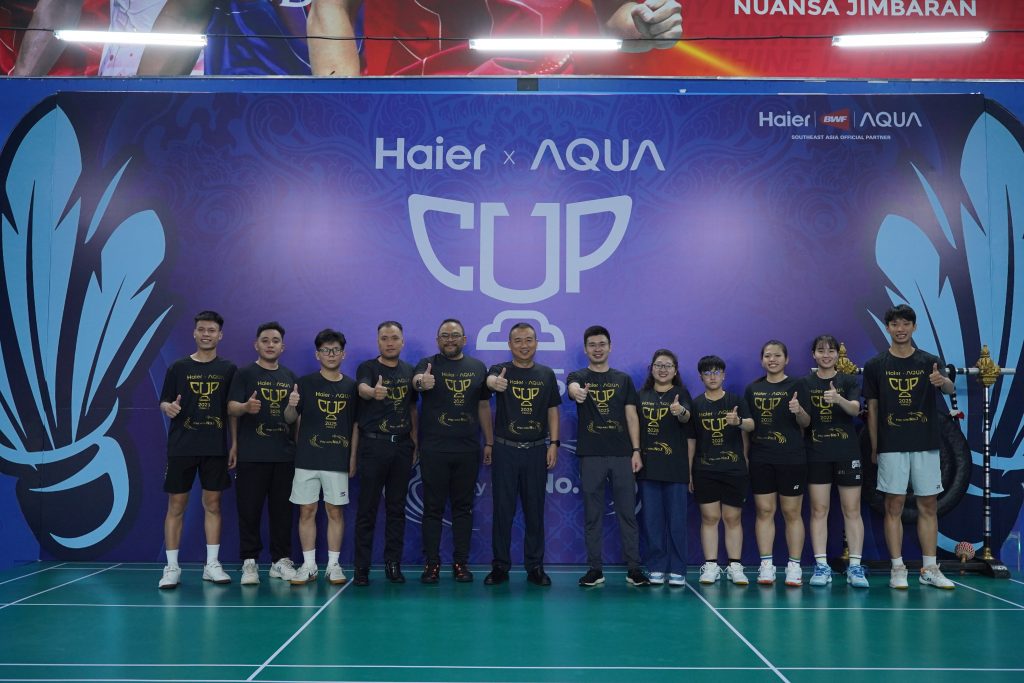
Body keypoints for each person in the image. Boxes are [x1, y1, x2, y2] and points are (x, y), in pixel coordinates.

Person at [307, 0, 683, 76]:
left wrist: (644, 27)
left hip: (555, 104)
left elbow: (613, 15)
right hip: (416, 113)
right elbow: (330, 6)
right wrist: (340, 108)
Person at [863, 304, 956, 590]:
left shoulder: (930, 361)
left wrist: (943, 381)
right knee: (894, 505)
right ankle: (897, 568)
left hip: (925, 444)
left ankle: (930, 568)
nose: (900, 329)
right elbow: (873, 410)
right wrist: (875, 447)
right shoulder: (876, 365)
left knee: (928, 505)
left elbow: (949, 389)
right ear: (888, 328)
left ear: (914, 327)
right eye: (895, 324)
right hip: (891, 445)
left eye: (906, 324)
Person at [156, 310, 236, 589]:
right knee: (176, 505)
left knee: (213, 504)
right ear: (194, 332)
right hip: (182, 447)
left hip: (215, 447)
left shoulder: (228, 369)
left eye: (211, 330)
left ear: (220, 335)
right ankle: (172, 567)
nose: (206, 334)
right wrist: (167, 407)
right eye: (201, 329)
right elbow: (164, 401)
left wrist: (234, 444)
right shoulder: (177, 368)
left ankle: (212, 564)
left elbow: (231, 410)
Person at [567, 325, 649, 587]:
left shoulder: (623, 379)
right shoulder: (578, 376)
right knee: (593, 515)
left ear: (610, 347)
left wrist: (636, 451)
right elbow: (573, 388)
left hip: (622, 455)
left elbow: (632, 416)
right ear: (585, 349)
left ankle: (634, 569)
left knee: (628, 514)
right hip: (591, 455)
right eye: (592, 345)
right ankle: (595, 569)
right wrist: (577, 392)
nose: (597, 349)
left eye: (602, 344)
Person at [412, 319, 493, 583]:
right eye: (445, 335)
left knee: (463, 509)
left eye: (455, 335)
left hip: (467, 450)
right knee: (432, 509)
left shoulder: (478, 368)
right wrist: (421, 382)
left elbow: (483, 406)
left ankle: (460, 563)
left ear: (464, 340)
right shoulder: (427, 364)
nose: (450, 339)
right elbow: (416, 382)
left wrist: (489, 442)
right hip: (434, 449)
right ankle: (432, 564)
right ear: (438, 340)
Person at [483, 322, 562, 587]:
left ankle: (535, 567)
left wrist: (554, 443)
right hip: (505, 450)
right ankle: (500, 566)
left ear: (536, 343)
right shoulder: (500, 370)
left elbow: (552, 409)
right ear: (509, 344)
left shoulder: (546, 374)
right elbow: (489, 380)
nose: (524, 345)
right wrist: (494, 382)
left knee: (534, 512)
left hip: (537, 450)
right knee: (502, 511)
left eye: (528, 340)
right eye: (518, 341)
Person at [227, 321, 299, 585]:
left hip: (283, 455)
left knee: (282, 513)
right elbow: (231, 407)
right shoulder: (244, 374)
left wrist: (292, 408)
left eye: (275, 341)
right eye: (265, 340)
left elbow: (291, 420)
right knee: (249, 510)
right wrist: (246, 407)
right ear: (256, 345)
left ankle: (281, 561)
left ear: (283, 347)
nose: (270, 345)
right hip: (252, 454)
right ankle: (249, 561)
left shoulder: (290, 376)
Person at [289, 328, 357, 586]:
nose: (331, 354)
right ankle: (308, 566)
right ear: (317, 354)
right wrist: (291, 404)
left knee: (335, 512)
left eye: (335, 350)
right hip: (307, 460)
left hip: (337, 459)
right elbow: (289, 419)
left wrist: (352, 457)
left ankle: (333, 565)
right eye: (326, 350)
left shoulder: (351, 387)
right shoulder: (304, 383)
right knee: (306, 511)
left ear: (343, 354)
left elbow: (356, 425)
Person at [352, 321, 418, 586]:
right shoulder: (368, 368)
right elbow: (362, 389)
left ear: (402, 342)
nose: (389, 343)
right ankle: (361, 568)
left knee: (396, 509)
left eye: (394, 338)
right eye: (384, 338)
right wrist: (373, 391)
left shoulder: (409, 370)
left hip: (402, 446)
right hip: (373, 446)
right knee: (367, 509)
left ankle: (393, 564)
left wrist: (415, 443)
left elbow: (412, 409)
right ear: (378, 341)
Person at [805, 335, 868, 588]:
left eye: (831, 351)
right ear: (813, 354)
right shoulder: (805, 383)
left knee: (852, 510)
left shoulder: (848, 380)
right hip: (817, 453)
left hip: (846, 452)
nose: (826, 355)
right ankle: (821, 566)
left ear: (837, 355)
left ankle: (855, 567)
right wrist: (798, 411)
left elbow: (855, 409)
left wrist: (838, 399)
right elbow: (804, 421)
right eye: (821, 351)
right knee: (819, 510)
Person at [746, 340, 810, 587]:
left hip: (791, 458)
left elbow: (806, 423)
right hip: (761, 457)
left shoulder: (798, 385)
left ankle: (794, 566)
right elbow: (748, 426)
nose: (772, 360)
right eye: (767, 356)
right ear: (762, 360)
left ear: (787, 359)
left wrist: (798, 410)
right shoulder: (753, 389)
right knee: (764, 511)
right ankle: (766, 565)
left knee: (792, 512)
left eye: (777, 355)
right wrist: (746, 455)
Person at [688, 355, 751, 586]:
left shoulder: (736, 400)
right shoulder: (696, 404)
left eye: (716, 372)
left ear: (723, 375)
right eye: (707, 373)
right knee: (710, 517)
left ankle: (735, 566)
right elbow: (691, 440)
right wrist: (689, 471)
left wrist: (738, 422)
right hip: (704, 469)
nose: (712, 377)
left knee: (732, 517)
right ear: (701, 377)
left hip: (734, 469)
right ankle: (711, 565)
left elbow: (751, 425)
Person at [636, 349, 692, 587]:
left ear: (675, 371)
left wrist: (680, 412)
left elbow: (687, 417)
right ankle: (656, 566)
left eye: (668, 365)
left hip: (675, 468)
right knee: (652, 521)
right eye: (658, 365)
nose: (662, 369)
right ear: (651, 369)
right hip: (648, 467)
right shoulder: (641, 395)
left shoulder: (681, 393)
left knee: (677, 522)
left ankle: (678, 568)